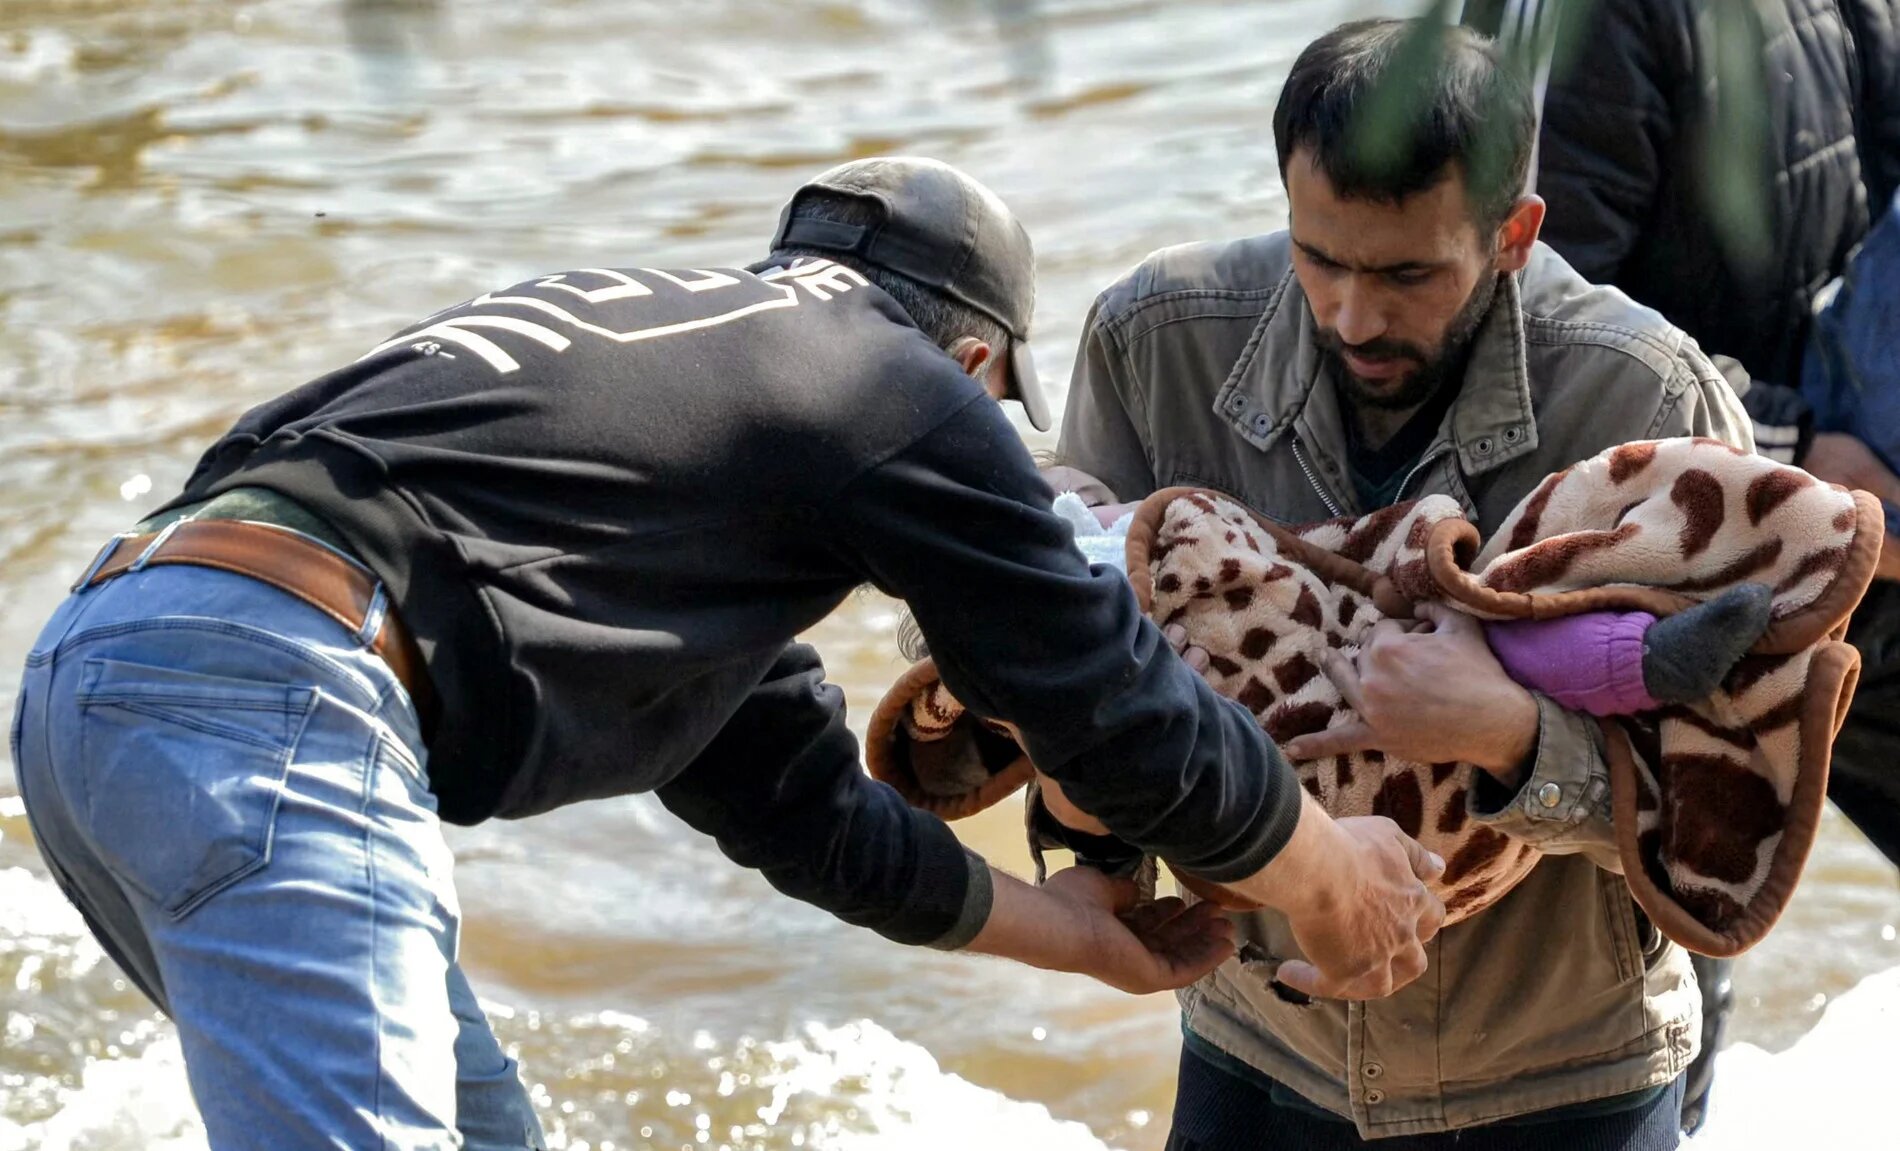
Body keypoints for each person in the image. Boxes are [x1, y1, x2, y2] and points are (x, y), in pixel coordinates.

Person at [6, 157, 1447, 1151]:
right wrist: (1326, 872)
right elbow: (1095, 679)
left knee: (482, 1127)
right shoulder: (886, 381)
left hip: (101, 667)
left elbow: (794, 801)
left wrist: (1071, 930)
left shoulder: (670, 378)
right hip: (281, 689)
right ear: (974, 373)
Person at [1059, 19, 1750, 1149]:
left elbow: (1734, 809)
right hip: (1254, 1045)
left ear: (1516, 232)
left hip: (1563, 1077)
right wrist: (1080, 823)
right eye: (1316, 256)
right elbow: (1031, 617)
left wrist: (1515, 737)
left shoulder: (1649, 403)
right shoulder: (1155, 339)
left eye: (1406, 273)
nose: (1351, 315)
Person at [1462, 0, 1900, 1132]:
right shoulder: (1587, 24)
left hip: (1833, 538)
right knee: (1660, 970)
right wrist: (1805, 444)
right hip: (1638, 561)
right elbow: (1516, 325)